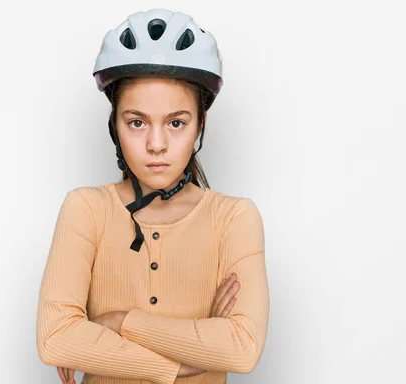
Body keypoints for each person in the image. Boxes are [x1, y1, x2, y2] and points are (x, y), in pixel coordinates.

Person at [36, 8, 269, 384]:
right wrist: (177, 362)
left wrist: (117, 323)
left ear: (200, 125)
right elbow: (55, 339)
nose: (156, 144)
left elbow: (241, 348)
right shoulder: (86, 209)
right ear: (115, 125)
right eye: (137, 122)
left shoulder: (235, 218)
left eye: (176, 123)